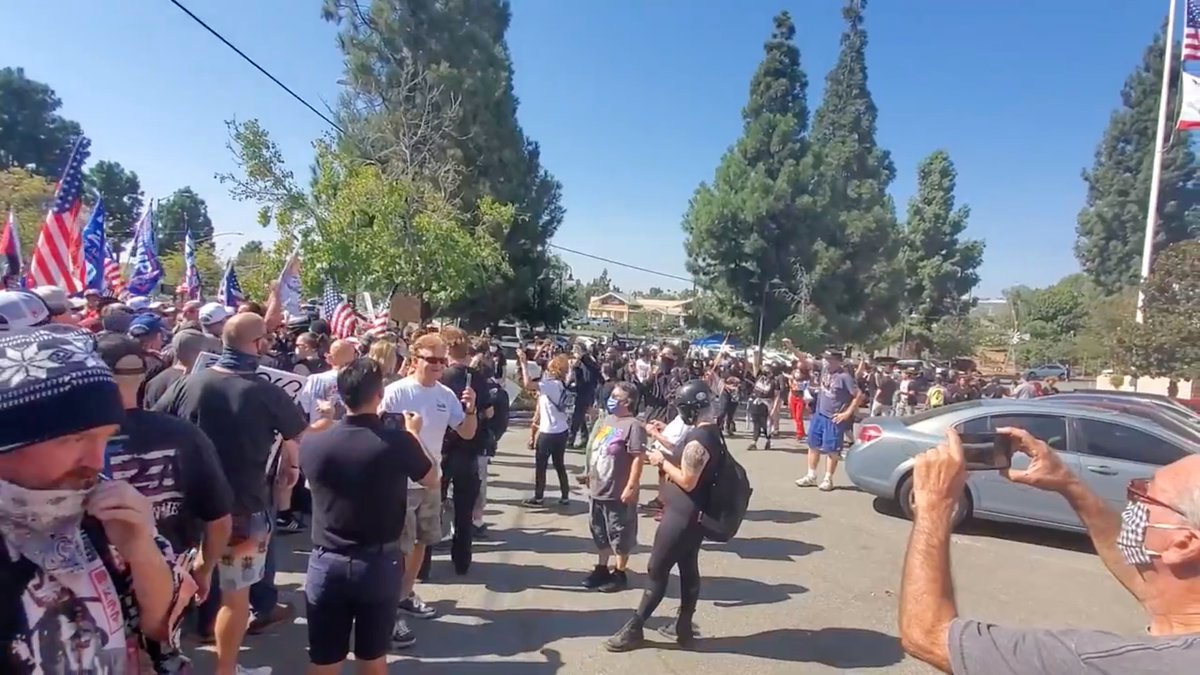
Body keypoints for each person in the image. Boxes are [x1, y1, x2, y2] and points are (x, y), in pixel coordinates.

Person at [899, 427, 1200, 674]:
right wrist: (1068, 483)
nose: (1133, 496)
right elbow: (1145, 580)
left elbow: (929, 636)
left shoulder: (1113, 663)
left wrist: (934, 506)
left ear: (1184, 543)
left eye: (1144, 493)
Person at [0, 325, 194, 672]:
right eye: (74, 439)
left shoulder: (100, 505)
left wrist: (141, 549)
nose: (96, 460)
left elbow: (158, 627)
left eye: (106, 438)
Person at [154, 313, 308, 675]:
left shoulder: (188, 383)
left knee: (174, 590)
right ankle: (225, 670)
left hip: (186, 509)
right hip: (244, 508)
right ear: (257, 344)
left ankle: (168, 662)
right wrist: (293, 467)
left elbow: (158, 424)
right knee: (235, 597)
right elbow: (297, 435)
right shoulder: (266, 391)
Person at [95, 333, 235, 668]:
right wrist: (204, 569)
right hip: (167, 580)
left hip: (93, 588)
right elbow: (219, 520)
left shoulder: (66, 442)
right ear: (144, 374)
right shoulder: (183, 435)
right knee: (160, 659)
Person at [300, 358, 437, 675]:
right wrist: (414, 433)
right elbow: (432, 478)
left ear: (341, 395)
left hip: (326, 562)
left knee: (324, 661)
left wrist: (324, 421)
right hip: (378, 564)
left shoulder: (314, 442)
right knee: (372, 660)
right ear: (379, 395)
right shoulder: (399, 442)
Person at [605, 380, 722, 652]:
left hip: (682, 515)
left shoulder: (699, 439)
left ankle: (635, 628)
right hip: (694, 514)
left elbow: (688, 480)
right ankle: (683, 626)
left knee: (657, 569)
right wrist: (663, 438)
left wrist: (661, 462)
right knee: (688, 567)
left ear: (691, 409)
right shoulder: (711, 432)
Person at [379, 332, 477, 649]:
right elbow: (379, 433)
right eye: (431, 359)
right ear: (415, 358)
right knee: (400, 548)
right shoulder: (396, 392)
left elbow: (467, 432)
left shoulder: (446, 394)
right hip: (400, 483)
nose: (437, 365)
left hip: (431, 480)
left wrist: (471, 409)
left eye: (442, 360)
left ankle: (405, 595)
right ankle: (389, 610)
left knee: (422, 540)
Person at [437, 326, 492, 575]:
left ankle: (423, 563)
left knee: (433, 504)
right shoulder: (476, 376)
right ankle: (462, 560)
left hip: (443, 446)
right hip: (470, 446)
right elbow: (489, 411)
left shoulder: (441, 377)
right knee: (464, 509)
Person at [582, 382, 646, 593]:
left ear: (627, 402)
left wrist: (631, 485)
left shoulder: (633, 426)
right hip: (598, 487)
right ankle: (602, 568)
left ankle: (619, 573)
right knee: (599, 531)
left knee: (620, 533)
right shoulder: (608, 420)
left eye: (616, 397)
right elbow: (598, 449)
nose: (610, 399)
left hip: (617, 491)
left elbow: (638, 457)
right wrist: (589, 472)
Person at [797, 350, 861, 492]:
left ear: (838, 361)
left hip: (833, 418)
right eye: (825, 359)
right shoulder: (824, 370)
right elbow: (804, 359)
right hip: (819, 414)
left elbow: (858, 395)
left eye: (830, 359)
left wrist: (847, 413)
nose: (826, 361)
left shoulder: (844, 377)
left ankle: (828, 478)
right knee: (813, 445)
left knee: (832, 450)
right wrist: (791, 348)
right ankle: (811, 475)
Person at [515, 350, 572, 507]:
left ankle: (538, 497)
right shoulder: (562, 384)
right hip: (562, 430)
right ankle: (565, 495)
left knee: (541, 466)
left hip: (548, 432)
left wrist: (524, 363)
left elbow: (528, 384)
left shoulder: (550, 385)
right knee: (559, 464)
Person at [747, 364, 781, 451]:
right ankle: (754, 442)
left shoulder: (774, 382)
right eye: (765, 371)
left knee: (764, 424)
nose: (766, 373)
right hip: (755, 402)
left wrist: (774, 408)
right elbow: (752, 367)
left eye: (768, 371)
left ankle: (768, 440)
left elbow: (777, 396)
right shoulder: (759, 378)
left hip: (766, 404)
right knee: (756, 423)